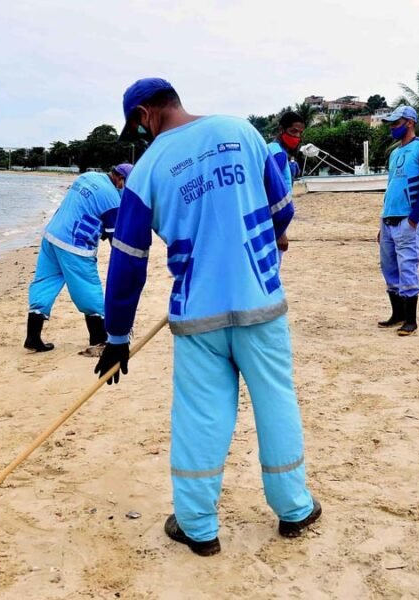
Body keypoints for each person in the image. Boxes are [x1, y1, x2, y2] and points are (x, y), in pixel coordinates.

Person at [95, 78, 320, 556]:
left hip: (198, 315)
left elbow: (127, 262)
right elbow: (282, 210)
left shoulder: (146, 169)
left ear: (143, 115)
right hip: (261, 300)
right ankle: (294, 509)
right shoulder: (242, 132)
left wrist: (117, 335)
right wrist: (272, 239)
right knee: (276, 402)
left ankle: (198, 527)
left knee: (201, 417)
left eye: (136, 126)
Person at [23, 163, 133, 353]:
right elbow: (116, 238)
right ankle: (99, 339)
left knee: (44, 283)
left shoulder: (88, 176)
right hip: (76, 245)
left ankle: (33, 337)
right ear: (120, 179)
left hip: (52, 235)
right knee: (88, 288)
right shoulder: (112, 198)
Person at [376, 106, 419, 336]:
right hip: (389, 218)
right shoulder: (394, 153)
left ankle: (410, 320)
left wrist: (415, 217)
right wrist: (381, 221)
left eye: (396, 123)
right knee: (389, 267)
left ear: (409, 122)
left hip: (407, 219)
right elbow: (391, 186)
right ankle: (398, 314)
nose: (392, 127)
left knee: (408, 266)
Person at [268, 110, 306, 252]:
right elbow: (271, 193)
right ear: (281, 130)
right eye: (293, 131)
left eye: (299, 133)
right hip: (274, 227)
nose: (296, 136)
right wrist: (281, 233)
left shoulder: (272, 149)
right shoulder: (278, 154)